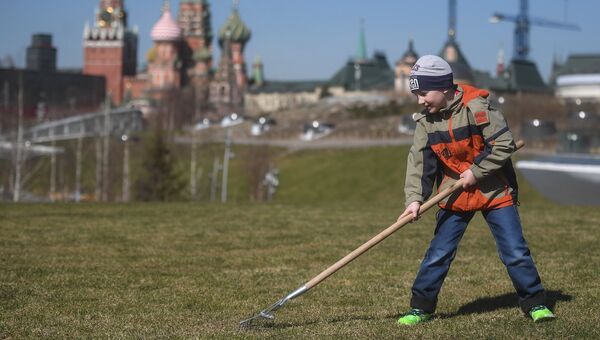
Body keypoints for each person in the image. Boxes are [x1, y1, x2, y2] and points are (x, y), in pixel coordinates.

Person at [396, 55, 555, 325]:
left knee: (515, 251)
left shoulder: (476, 106)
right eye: (416, 94)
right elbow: (420, 164)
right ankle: (420, 307)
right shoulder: (425, 121)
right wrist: (414, 200)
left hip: (495, 192)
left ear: (444, 87)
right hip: (454, 194)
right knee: (439, 253)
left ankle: (535, 303)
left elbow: (503, 145)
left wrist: (476, 171)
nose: (420, 100)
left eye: (423, 92)